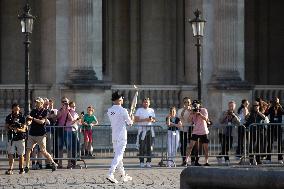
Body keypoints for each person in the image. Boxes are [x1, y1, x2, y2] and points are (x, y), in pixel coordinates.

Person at [25, 97, 58, 173]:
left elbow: (42, 122)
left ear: (41, 103)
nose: (36, 103)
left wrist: (32, 119)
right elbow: (30, 121)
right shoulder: (33, 111)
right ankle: (27, 166)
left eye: (38, 102)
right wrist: (27, 122)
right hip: (32, 133)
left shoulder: (44, 111)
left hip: (41, 134)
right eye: (36, 102)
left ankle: (53, 163)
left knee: (43, 151)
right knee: (28, 150)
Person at [106, 91, 133, 184]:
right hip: (121, 135)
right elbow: (129, 123)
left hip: (114, 135)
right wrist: (131, 119)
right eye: (121, 98)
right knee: (119, 155)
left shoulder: (109, 110)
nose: (122, 99)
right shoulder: (123, 110)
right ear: (118, 99)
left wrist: (128, 118)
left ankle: (123, 175)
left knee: (119, 156)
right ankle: (110, 173)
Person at [185, 100, 210, 166]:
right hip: (195, 131)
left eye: (196, 104)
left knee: (206, 148)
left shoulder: (204, 110)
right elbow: (189, 120)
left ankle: (206, 161)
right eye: (194, 105)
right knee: (190, 146)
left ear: (199, 105)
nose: (195, 106)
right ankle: (186, 160)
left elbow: (206, 119)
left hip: (203, 131)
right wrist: (192, 113)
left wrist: (199, 114)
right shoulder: (192, 111)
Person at [5, 103, 28, 175]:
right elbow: (6, 127)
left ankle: (21, 169)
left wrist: (18, 129)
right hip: (11, 138)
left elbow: (24, 129)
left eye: (17, 109)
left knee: (21, 154)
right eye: (15, 109)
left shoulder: (22, 117)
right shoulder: (9, 117)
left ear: (19, 109)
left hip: (20, 137)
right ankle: (10, 168)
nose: (16, 111)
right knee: (11, 153)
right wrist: (10, 127)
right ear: (12, 109)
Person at [177, 97, 200, 166]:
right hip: (183, 129)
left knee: (192, 145)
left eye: (188, 102)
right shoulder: (180, 110)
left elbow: (195, 118)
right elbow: (180, 118)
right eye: (185, 102)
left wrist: (192, 111)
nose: (187, 103)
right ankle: (184, 161)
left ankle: (193, 160)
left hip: (191, 129)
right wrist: (184, 110)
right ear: (183, 103)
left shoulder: (193, 109)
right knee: (183, 146)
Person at [217, 101, 240, 165]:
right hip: (223, 132)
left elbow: (239, 123)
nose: (231, 107)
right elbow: (220, 121)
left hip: (231, 133)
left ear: (234, 107)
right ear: (228, 106)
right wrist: (226, 115)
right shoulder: (224, 112)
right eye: (230, 106)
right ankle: (227, 160)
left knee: (229, 146)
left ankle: (219, 156)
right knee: (224, 146)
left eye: (232, 106)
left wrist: (234, 115)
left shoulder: (236, 114)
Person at [134, 98, 156, 168]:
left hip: (149, 130)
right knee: (142, 147)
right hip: (142, 130)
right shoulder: (139, 110)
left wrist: (152, 120)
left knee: (149, 146)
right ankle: (141, 161)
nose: (146, 103)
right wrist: (145, 119)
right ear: (142, 103)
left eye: (147, 102)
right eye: (144, 102)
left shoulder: (151, 110)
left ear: (149, 103)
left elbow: (154, 119)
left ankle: (148, 161)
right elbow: (136, 119)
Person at [245, 100, 267, 165]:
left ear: (259, 106)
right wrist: (248, 114)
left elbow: (264, 118)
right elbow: (246, 119)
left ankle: (258, 160)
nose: (256, 106)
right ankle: (251, 160)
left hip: (259, 131)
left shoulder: (260, 113)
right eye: (254, 105)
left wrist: (258, 112)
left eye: (257, 105)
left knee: (259, 146)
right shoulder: (251, 113)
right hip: (252, 131)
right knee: (251, 145)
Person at [265, 97, 284, 164]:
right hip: (272, 127)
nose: (276, 102)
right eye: (275, 101)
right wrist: (268, 106)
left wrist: (280, 106)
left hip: (278, 127)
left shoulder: (281, 108)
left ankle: (280, 158)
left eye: (277, 101)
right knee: (270, 142)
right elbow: (266, 114)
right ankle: (268, 158)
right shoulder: (271, 108)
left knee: (280, 143)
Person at [65, 101, 82, 169]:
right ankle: (71, 163)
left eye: (74, 106)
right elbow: (71, 121)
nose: (74, 107)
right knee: (70, 147)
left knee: (77, 146)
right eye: (72, 106)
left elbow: (79, 122)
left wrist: (80, 119)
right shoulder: (68, 112)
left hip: (75, 130)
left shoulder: (75, 113)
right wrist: (77, 119)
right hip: (69, 131)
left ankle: (74, 162)